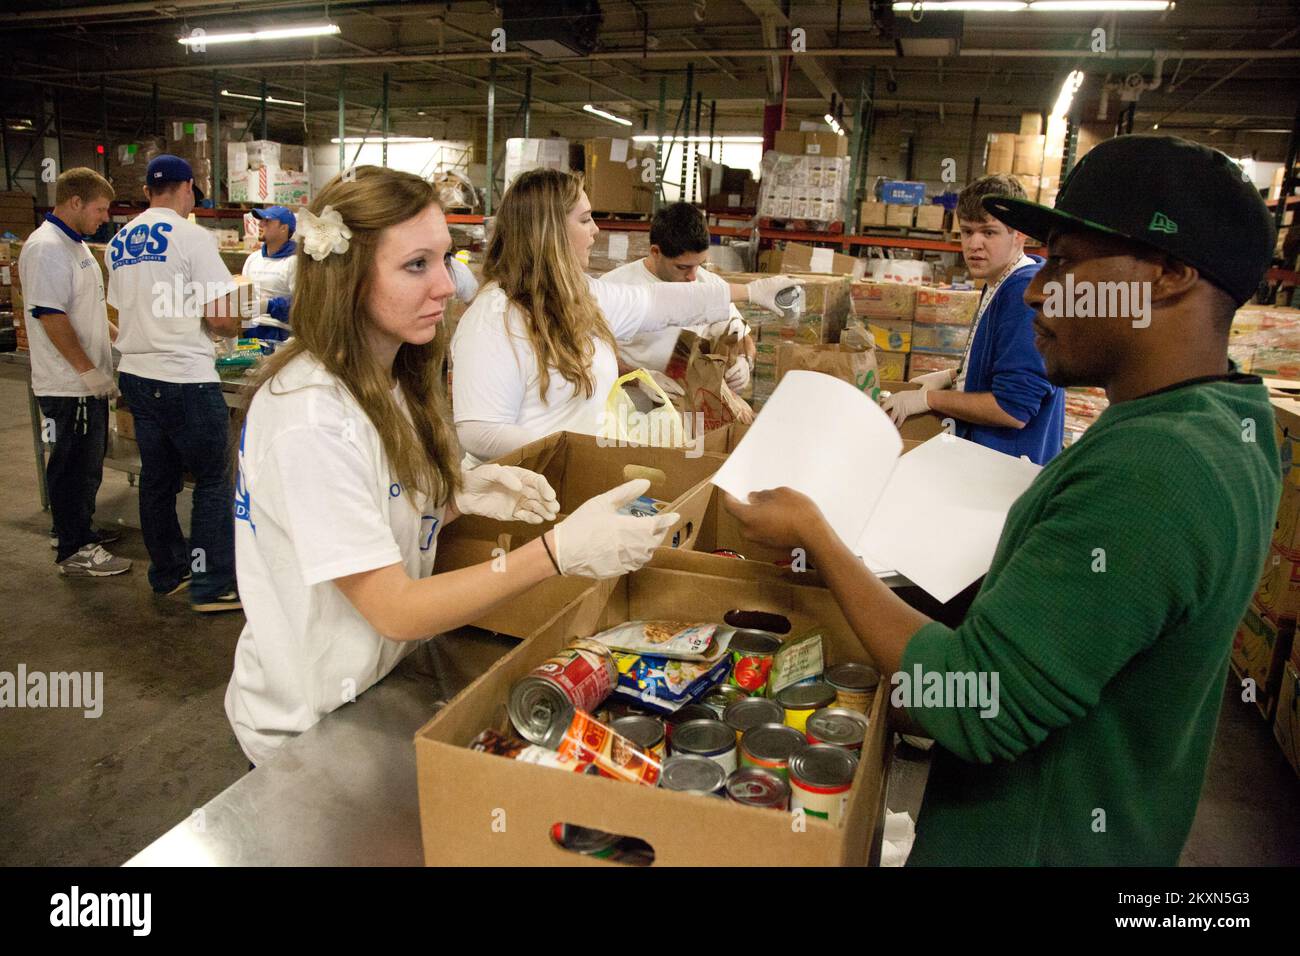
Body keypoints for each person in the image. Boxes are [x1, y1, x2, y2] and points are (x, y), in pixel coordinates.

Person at [723, 135, 1279, 865]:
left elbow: (969, 705)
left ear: (1169, 273)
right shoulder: (1223, 418)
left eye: (1067, 262)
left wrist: (818, 537)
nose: (1041, 289)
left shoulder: (1157, 467)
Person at [224, 166, 679, 766]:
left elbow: (371, 511)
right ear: (350, 276)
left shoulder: (386, 382)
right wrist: (556, 552)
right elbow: (394, 607)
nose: (446, 285)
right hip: (308, 724)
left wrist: (457, 495)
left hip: (374, 686)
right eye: (417, 265)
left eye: (446, 259)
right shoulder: (311, 417)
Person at [450, 169, 793, 463]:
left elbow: (656, 302)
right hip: (526, 492)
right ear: (549, 232)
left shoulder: (581, 295)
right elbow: (479, 433)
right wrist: (572, 448)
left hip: (576, 477)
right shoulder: (494, 318)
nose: (596, 230)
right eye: (584, 220)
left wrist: (751, 292)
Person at [107, 154, 244, 612]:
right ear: (187, 188)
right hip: (184, 376)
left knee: (158, 480)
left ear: (148, 191)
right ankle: (212, 585)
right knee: (212, 480)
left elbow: (121, 307)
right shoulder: (192, 236)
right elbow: (223, 317)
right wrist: (234, 329)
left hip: (137, 376)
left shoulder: (118, 240)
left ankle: (168, 573)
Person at [883, 174, 1065, 465]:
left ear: (1019, 234)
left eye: (988, 232)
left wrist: (929, 400)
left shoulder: (1022, 295)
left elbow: (1012, 409)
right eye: (967, 232)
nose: (974, 244)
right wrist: (954, 376)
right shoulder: (999, 282)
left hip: (1007, 471)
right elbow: (1005, 363)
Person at [19, 167, 130, 576]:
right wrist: (88, 372)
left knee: (87, 463)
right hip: (69, 384)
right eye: (100, 209)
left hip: (85, 379)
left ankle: (76, 528)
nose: (105, 217)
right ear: (75, 202)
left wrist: (122, 339)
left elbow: (89, 306)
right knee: (72, 466)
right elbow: (51, 315)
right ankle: (74, 550)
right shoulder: (46, 248)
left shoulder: (75, 245)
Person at [601, 201, 755, 395]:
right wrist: (639, 378)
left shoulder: (708, 284)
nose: (692, 276)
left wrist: (744, 360)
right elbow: (591, 356)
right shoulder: (615, 288)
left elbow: (739, 334)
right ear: (656, 252)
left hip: (686, 407)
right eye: (682, 267)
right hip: (628, 407)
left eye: (699, 264)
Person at [241, 205, 297, 341]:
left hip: (279, 334)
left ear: (284, 228)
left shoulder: (294, 262)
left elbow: (302, 304)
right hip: (247, 329)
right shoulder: (253, 258)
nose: (260, 224)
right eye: (261, 220)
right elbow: (242, 293)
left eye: (267, 221)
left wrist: (269, 306)